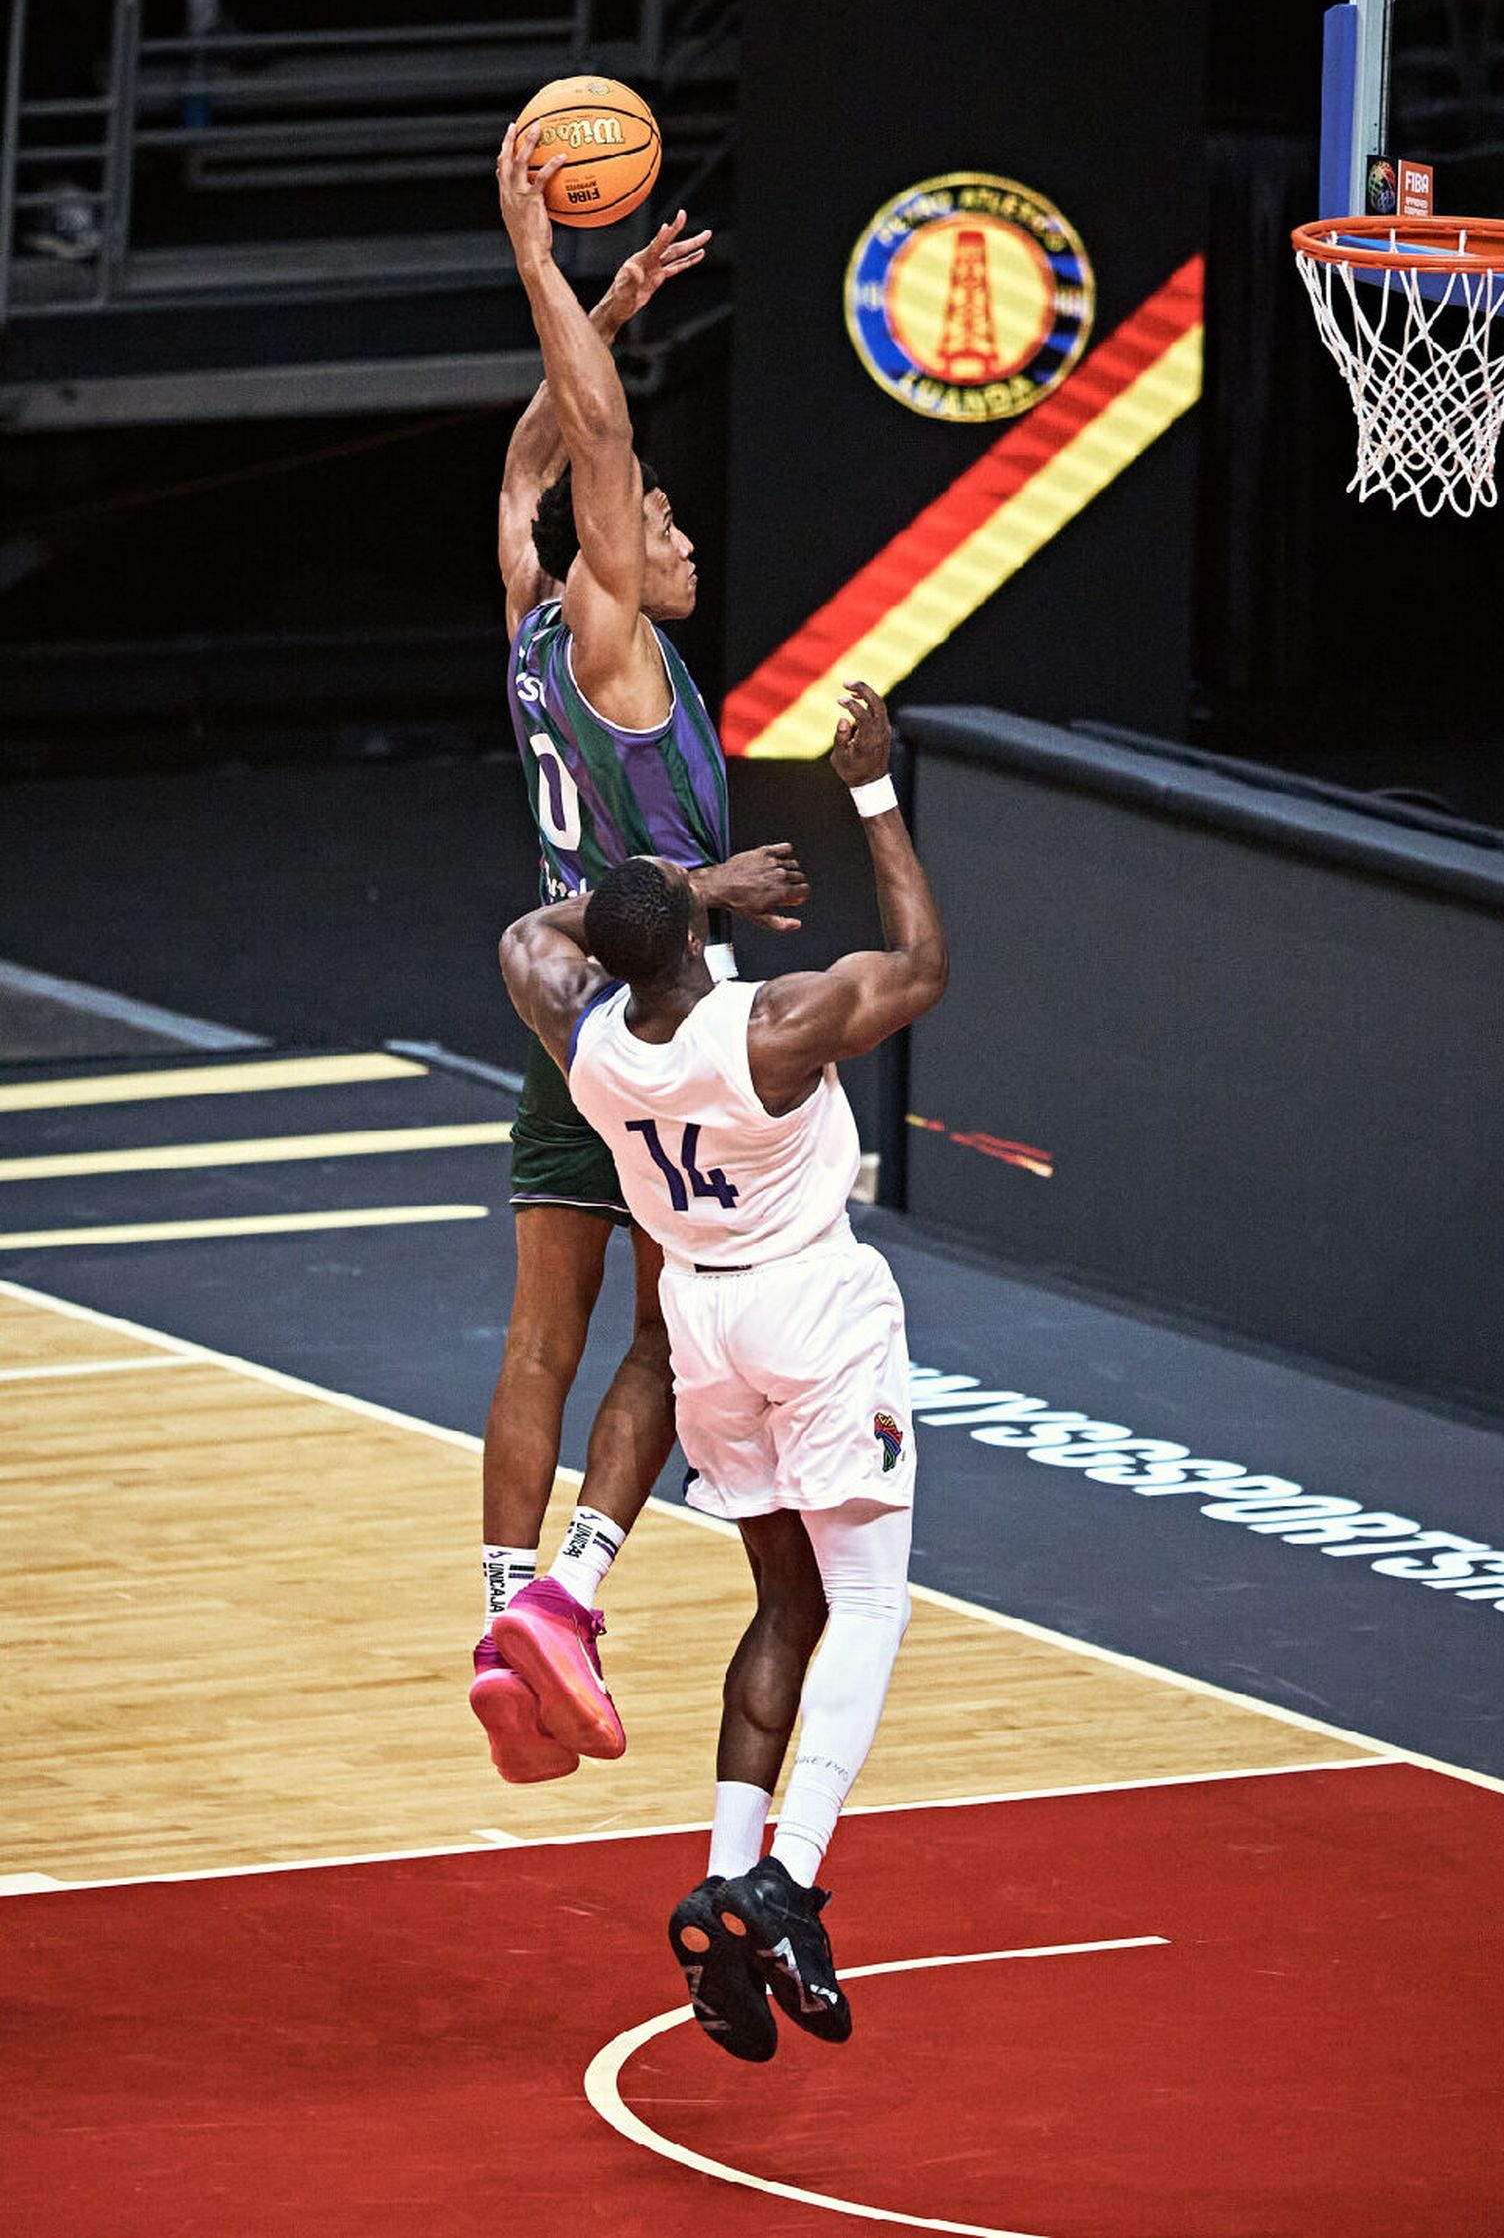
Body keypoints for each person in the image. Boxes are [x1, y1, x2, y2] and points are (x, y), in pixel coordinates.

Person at [498, 680, 948, 2059]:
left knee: (783, 1603)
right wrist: (874, 791)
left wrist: (673, 890)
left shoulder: (585, 1049)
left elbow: (529, 931)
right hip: (813, 1306)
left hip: (702, 1325)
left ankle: (721, 1878)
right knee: (868, 1599)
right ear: (694, 932)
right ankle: (787, 1881)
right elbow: (921, 966)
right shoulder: (768, 1027)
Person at [472, 117, 810, 1787]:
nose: (677, 538)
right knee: (671, 1342)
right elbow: (589, 446)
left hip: (558, 1043)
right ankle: (579, 1599)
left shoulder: (531, 606)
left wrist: (600, 305)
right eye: (664, 521)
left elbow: (532, 457)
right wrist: (538, 259)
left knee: (539, 1334)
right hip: (652, 1038)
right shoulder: (614, 643)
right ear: (626, 551)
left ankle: (498, 1614)